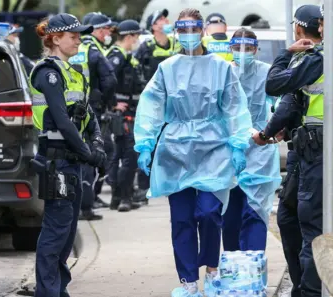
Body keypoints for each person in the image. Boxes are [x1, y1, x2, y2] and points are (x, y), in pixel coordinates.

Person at [256, 1, 333, 296]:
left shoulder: (319, 58)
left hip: (319, 149)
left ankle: (309, 293)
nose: (319, 27)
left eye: (322, 23)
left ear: (332, 25)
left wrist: (287, 54)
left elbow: (273, 85)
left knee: (313, 228)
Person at [134, 8, 252, 297]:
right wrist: (145, 143)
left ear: (202, 31)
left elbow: (235, 107)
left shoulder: (221, 68)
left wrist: (238, 143)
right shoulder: (167, 68)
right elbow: (151, 105)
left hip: (213, 147)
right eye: (182, 30)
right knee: (182, 218)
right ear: (177, 32)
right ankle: (188, 281)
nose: (187, 36)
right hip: (176, 150)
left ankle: (211, 268)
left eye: (192, 29)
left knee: (210, 213)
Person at [30, 13, 106, 297]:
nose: (78, 40)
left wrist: (97, 143)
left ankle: (58, 289)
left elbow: (89, 113)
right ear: (55, 39)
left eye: (79, 36)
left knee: (67, 233)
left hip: (71, 162)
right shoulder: (47, 72)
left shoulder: (73, 72)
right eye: (73, 36)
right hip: (56, 161)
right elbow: (61, 120)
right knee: (56, 231)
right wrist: (88, 153)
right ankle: (48, 292)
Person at [253, 5, 322, 297]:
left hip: (308, 151)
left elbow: (285, 97)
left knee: (294, 219)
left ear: (298, 28)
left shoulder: (307, 57)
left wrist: (266, 133)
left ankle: (305, 288)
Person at [221, 27, 281, 254]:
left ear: (256, 50)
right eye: (237, 48)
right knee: (230, 214)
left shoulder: (268, 73)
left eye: (248, 48)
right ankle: (233, 270)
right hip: (228, 153)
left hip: (260, 151)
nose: (242, 52)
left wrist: (274, 131)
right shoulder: (223, 74)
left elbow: (282, 105)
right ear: (230, 49)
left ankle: (253, 271)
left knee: (254, 213)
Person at [69, 13, 117, 219]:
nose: (108, 33)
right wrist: (102, 100)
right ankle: (86, 207)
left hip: (65, 112)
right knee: (92, 154)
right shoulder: (94, 50)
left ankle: (74, 204)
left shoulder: (69, 47)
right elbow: (110, 79)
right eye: (105, 29)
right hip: (89, 111)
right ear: (96, 29)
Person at [134, 8, 181, 204]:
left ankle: (172, 182)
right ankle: (143, 187)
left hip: (176, 102)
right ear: (153, 26)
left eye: (165, 18)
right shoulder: (146, 46)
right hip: (154, 102)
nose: (165, 21)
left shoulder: (176, 45)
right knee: (149, 142)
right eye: (161, 19)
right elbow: (135, 70)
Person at [106, 19, 146, 211]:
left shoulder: (127, 56)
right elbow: (106, 82)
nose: (138, 40)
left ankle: (121, 196)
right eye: (137, 36)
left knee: (124, 155)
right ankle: (123, 198)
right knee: (128, 156)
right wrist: (113, 103)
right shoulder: (116, 56)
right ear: (130, 36)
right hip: (124, 116)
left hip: (131, 112)